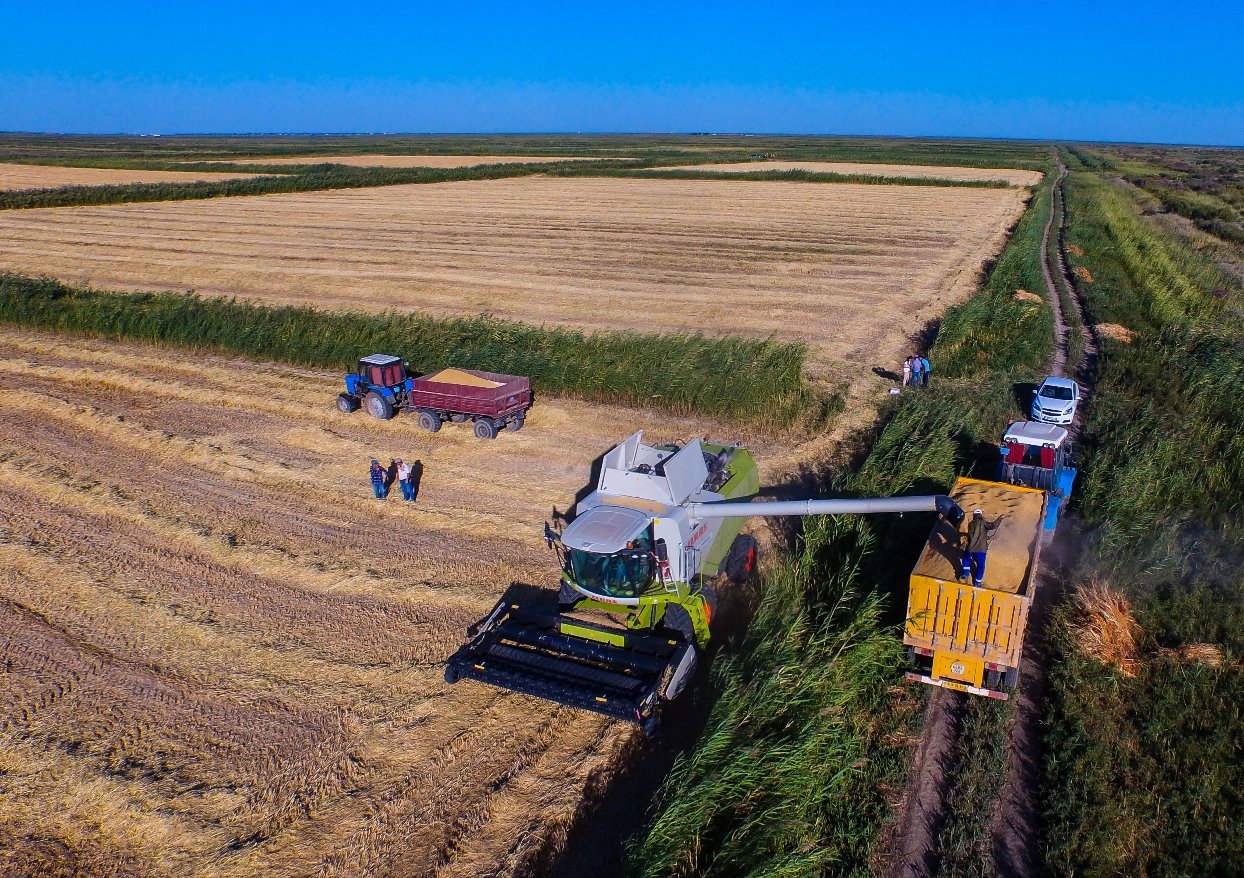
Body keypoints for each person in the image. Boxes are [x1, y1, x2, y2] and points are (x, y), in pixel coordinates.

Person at [960, 508, 1004, 586]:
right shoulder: (983, 522)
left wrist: (989, 537)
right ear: (980, 515)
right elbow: (993, 525)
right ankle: (977, 582)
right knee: (981, 566)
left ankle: (965, 574)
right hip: (980, 550)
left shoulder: (970, 524)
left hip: (970, 549)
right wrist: (1000, 518)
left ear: (974, 515)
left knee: (965, 559)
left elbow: (976, 536)